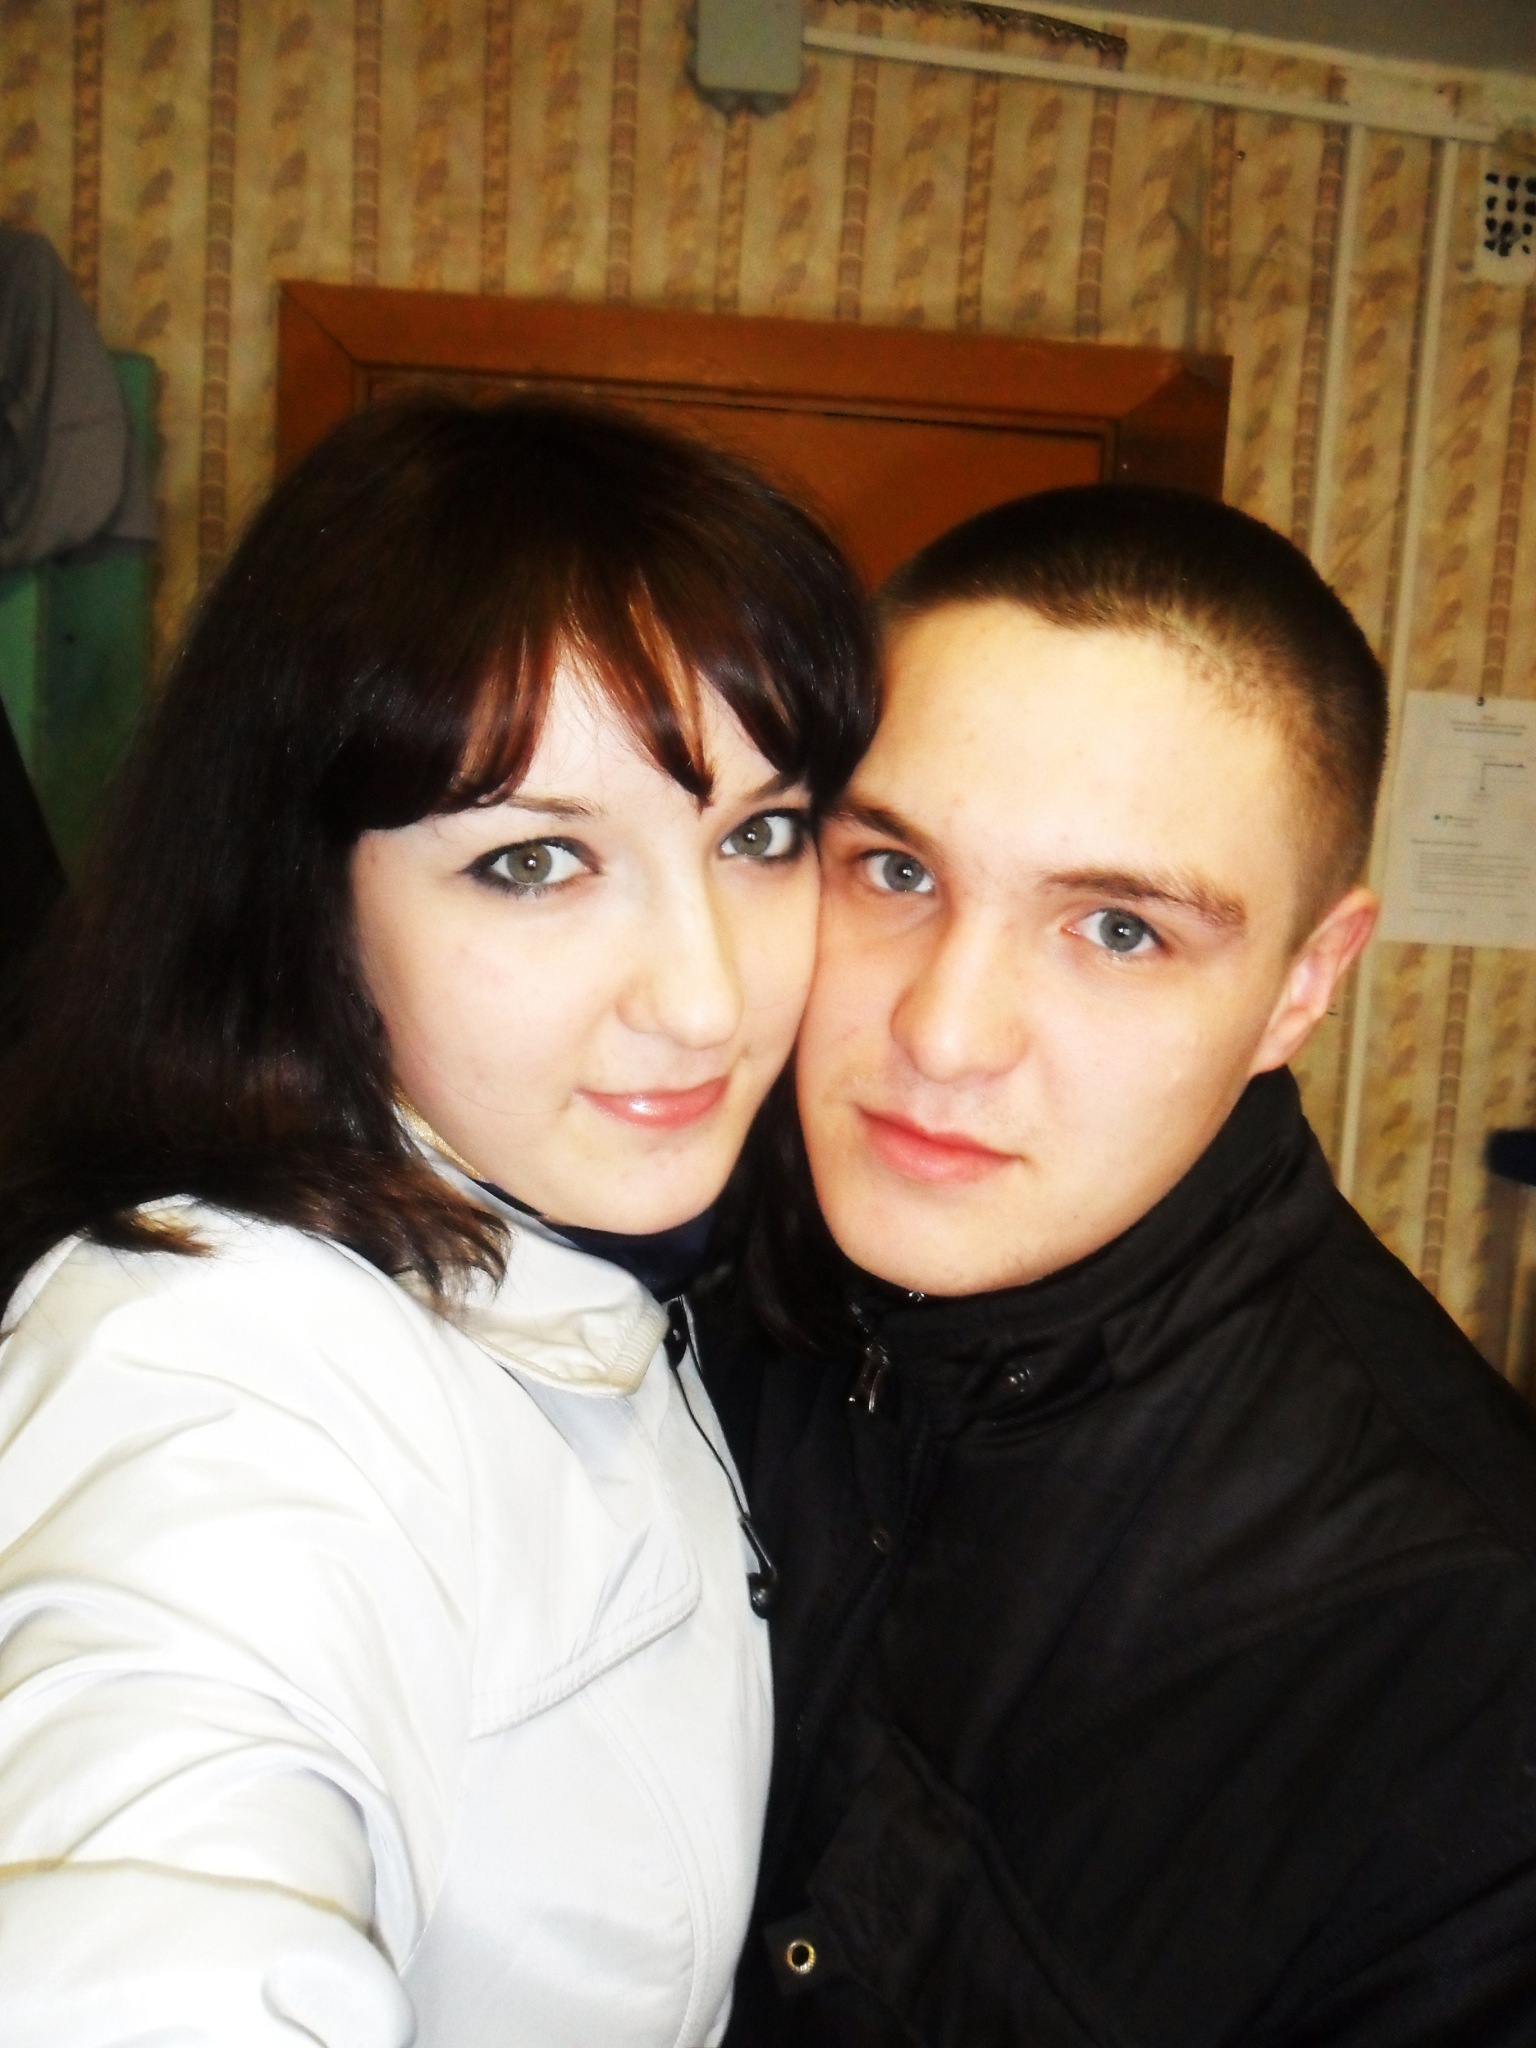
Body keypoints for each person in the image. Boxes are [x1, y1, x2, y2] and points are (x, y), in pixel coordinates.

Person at [0, 395, 875, 2046]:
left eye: (759, 836)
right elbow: (153, 1877)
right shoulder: (222, 1350)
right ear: (307, 898)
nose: (705, 999)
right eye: (536, 863)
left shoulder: (614, 1250)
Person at [702, 484, 1536, 2046]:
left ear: (1303, 984)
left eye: (1121, 930)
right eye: (895, 872)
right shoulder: (684, 1244)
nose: (945, 1033)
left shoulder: (1463, 1665)